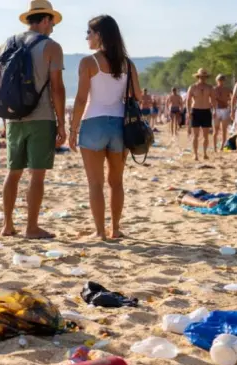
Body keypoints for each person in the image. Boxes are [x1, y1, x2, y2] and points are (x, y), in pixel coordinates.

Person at [69, 14, 139, 241]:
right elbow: (137, 95)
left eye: (89, 32)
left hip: (94, 123)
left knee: (95, 183)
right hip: (119, 125)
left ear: (99, 35)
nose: (86, 37)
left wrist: (72, 129)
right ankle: (115, 229)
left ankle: (100, 232)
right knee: (116, 182)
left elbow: (81, 100)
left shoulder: (89, 62)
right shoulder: (127, 63)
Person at [0, 0, 65, 239]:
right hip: (41, 117)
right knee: (37, 174)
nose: (53, 28)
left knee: (12, 172)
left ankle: (7, 225)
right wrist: (62, 123)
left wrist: (4, 118)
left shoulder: (7, 44)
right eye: (52, 23)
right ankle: (31, 227)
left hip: (14, 117)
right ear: (45, 20)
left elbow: (0, 85)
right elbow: (57, 88)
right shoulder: (51, 47)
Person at [187, 68, 215, 161]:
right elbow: (188, 100)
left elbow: (213, 100)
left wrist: (214, 110)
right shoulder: (193, 87)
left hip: (206, 111)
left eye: (204, 76)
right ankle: (195, 154)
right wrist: (188, 111)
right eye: (201, 76)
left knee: (206, 135)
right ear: (198, 77)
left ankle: (205, 153)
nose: (203, 78)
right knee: (195, 135)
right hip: (196, 111)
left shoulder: (210, 87)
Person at [213, 75, 232, 152]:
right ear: (217, 80)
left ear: (224, 80)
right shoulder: (214, 89)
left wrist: (229, 102)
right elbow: (212, 100)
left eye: (222, 79)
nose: (221, 81)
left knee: (224, 129)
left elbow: (233, 97)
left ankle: (222, 146)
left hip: (225, 109)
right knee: (216, 130)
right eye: (219, 80)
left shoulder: (227, 89)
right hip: (217, 109)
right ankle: (215, 147)